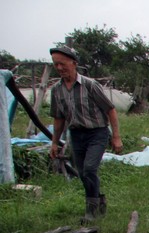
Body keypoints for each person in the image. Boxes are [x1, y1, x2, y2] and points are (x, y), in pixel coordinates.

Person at [48, 45, 122, 222]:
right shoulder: (56, 90)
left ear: (74, 63)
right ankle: (98, 200)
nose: (59, 68)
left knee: (89, 169)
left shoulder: (90, 85)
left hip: (97, 133)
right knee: (82, 172)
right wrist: (54, 142)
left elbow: (110, 110)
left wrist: (116, 137)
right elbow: (59, 119)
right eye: (56, 64)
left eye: (63, 64)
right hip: (76, 135)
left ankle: (91, 211)